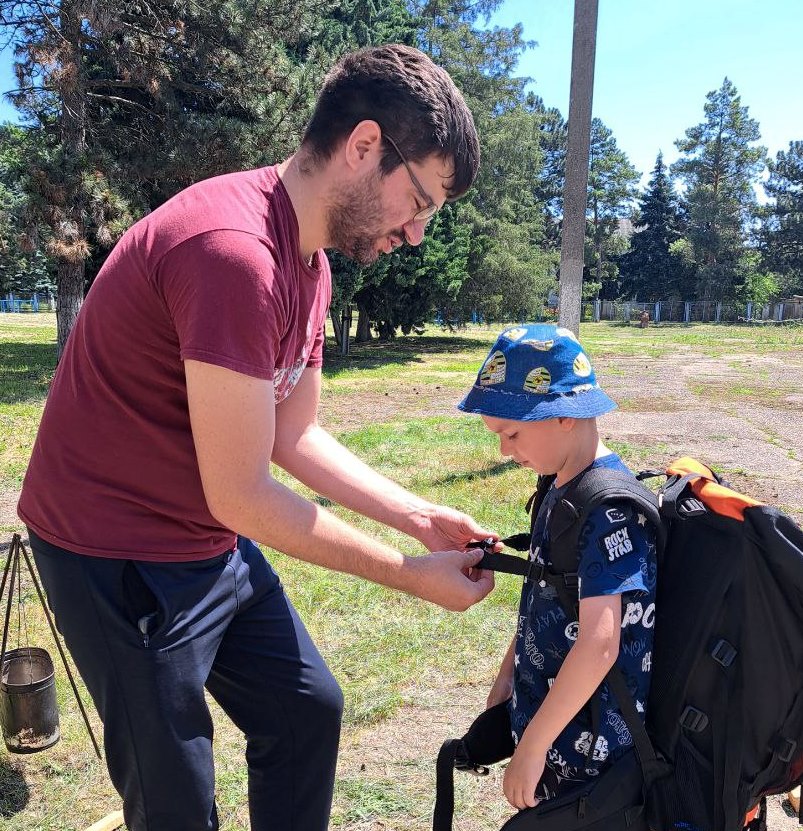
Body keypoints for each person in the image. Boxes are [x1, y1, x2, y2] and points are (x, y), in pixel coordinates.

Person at [17, 44, 494, 831]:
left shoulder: (308, 265)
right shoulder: (232, 252)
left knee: (307, 710)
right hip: (113, 553)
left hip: (203, 540)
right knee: (175, 802)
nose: (415, 234)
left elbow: (294, 435)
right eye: (420, 202)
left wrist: (418, 517)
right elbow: (241, 492)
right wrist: (413, 574)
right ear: (365, 146)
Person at [456, 324, 657, 813]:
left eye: (512, 432)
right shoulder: (557, 487)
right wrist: (508, 676)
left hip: (588, 749)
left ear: (565, 416)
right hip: (551, 721)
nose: (504, 450)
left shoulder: (609, 508)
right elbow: (545, 591)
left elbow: (600, 643)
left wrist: (534, 745)